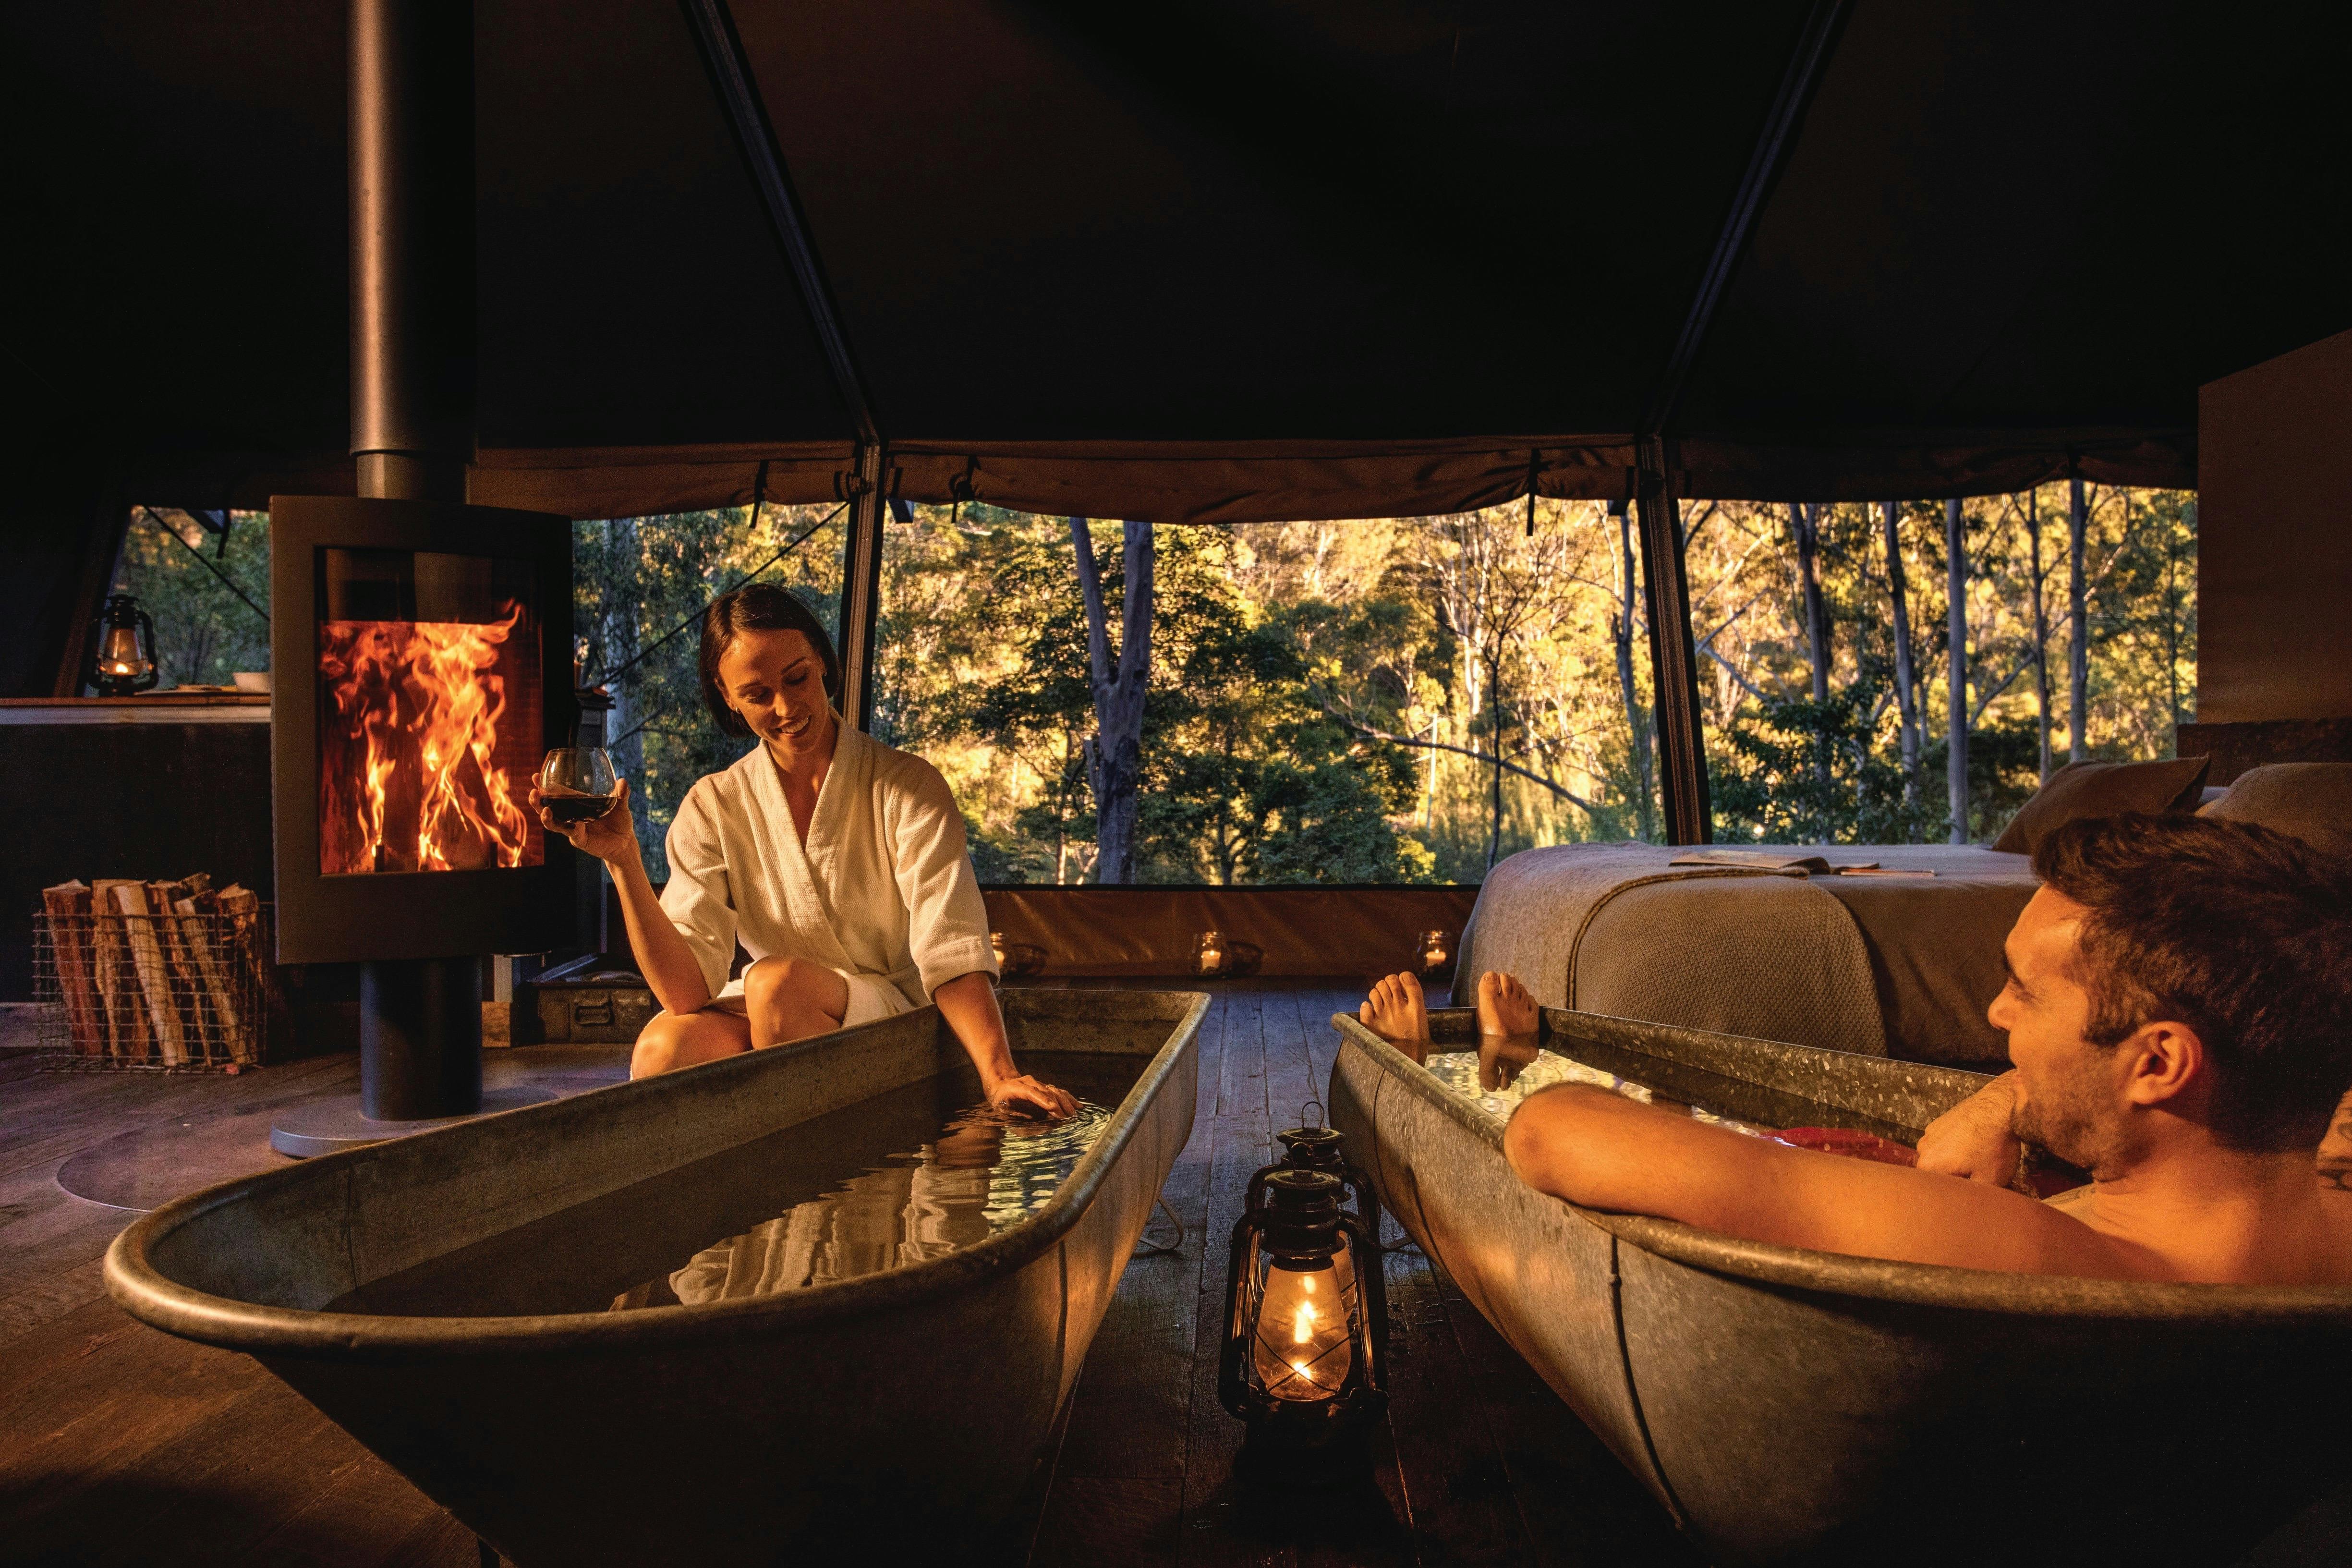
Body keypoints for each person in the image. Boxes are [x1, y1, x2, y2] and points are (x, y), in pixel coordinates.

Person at [1371, 814, 2352, 1286]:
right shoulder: (2315, 1202)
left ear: (2158, 1065)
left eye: (2021, 989)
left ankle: (1476, 1056)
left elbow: (1554, 1134)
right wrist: (2006, 1100)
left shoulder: (2051, 1252)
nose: (1993, 1015)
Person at [536, 583, 1075, 1115]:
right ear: (727, 697)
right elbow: (685, 993)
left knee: (774, 984)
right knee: (662, 1051)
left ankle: (797, 1171)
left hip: (890, 1007)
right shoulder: (714, 804)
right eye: (757, 694)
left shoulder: (907, 786)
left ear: (819, 658)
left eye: (796, 678)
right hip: (777, 1006)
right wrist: (624, 860)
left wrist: (999, 1074)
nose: (786, 706)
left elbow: (950, 944)